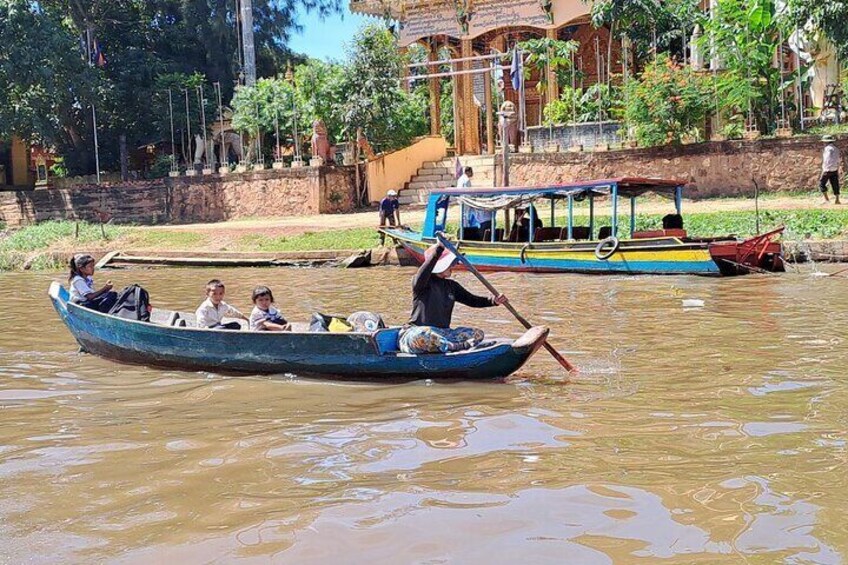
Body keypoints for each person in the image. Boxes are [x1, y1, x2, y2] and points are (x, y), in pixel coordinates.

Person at [399, 244, 508, 354]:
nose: (452, 267)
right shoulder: (422, 283)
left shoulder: (452, 286)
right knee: (424, 335)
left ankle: (452, 346)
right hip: (415, 333)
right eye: (449, 264)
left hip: (443, 334)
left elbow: (472, 300)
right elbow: (425, 270)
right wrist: (439, 250)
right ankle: (456, 347)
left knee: (477, 334)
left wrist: (493, 301)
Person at [820, 135, 841, 204]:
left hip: (827, 169)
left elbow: (827, 159)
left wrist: (825, 169)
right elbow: (838, 159)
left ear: (826, 142)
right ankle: (837, 200)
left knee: (822, 184)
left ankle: (827, 200)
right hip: (835, 169)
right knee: (835, 184)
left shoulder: (827, 149)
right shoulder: (836, 149)